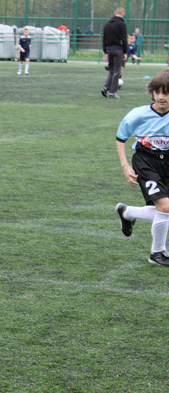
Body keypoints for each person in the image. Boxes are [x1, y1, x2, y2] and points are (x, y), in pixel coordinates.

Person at [115, 69, 169, 267]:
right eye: (158, 92)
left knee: (166, 210)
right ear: (152, 92)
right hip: (146, 162)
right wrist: (125, 166)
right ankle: (157, 253)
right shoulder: (137, 115)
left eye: (166, 93)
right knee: (165, 207)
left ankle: (127, 212)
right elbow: (121, 139)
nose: (161, 97)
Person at [101, 7, 127, 99]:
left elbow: (104, 38)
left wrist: (105, 52)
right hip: (118, 49)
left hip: (109, 49)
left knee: (111, 70)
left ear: (115, 13)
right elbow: (124, 38)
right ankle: (112, 92)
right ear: (123, 13)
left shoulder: (107, 24)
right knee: (117, 71)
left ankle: (105, 87)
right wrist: (125, 52)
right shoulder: (121, 24)